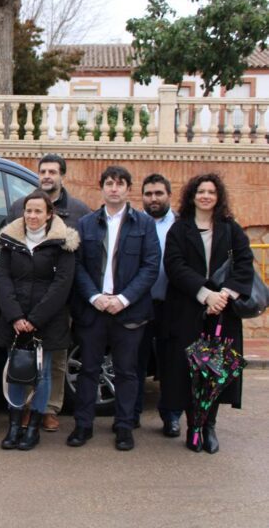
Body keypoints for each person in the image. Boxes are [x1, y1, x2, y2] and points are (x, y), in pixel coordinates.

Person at [67, 166, 159, 452]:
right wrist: (95, 297)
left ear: (128, 189)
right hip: (94, 310)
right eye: (109, 183)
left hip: (128, 313)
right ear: (102, 188)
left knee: (126, 372)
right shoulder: (86, 224)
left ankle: (124, 426)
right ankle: (83, 425)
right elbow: (77, 266)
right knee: (89, 370)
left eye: (120, 184)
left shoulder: (144, 225)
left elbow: (150, 266)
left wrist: (123, 299)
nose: (114, 188)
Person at [161, 173, 254, 454]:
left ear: (218, 197)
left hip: (222, 315)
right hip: (188, 311)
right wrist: (205, 294)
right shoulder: (179, 230)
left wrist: (224, 295)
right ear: (192, 196)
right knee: (191, 371)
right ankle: (194, 426)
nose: (206, 196)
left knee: (215, 371)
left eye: (211, 192)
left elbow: (245, 263)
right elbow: (174, 266)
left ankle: (209, 425)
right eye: (201, 191)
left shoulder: (230, 228)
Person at [5, 153, 91, 432]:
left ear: (61, 175)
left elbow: (80, 259)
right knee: (24, 360)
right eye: (43, 171)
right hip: (22, 302)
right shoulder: (19, 205)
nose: (47, 176)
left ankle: (50, 410)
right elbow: (8, 249)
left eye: (53, 171)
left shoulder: (78, 210)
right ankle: (27, 409)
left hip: (59, 304)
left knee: (55, 361)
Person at [0, 190, 78, 450]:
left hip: (46, 322)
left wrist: (34, 319)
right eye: (28, 210)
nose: (32, 215)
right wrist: (16, 316)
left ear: (49, 214)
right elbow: (3, 279)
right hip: (16, 321)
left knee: (42, 376)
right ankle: (14, 426)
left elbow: (62, 284)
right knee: (16, 374)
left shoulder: (62, 243)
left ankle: (33, 428)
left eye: (38, 211)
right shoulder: (10, 241)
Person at [137, 174, 182, 437]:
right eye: (149, 194)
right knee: (136, 363)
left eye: (158, 193)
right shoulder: (135, 223)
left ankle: (172, 417)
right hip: (140, 304)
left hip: (171, 306)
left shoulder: (180, 224)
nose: (153, 199)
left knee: (171, 365)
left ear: (169, 195)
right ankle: (131, 417)